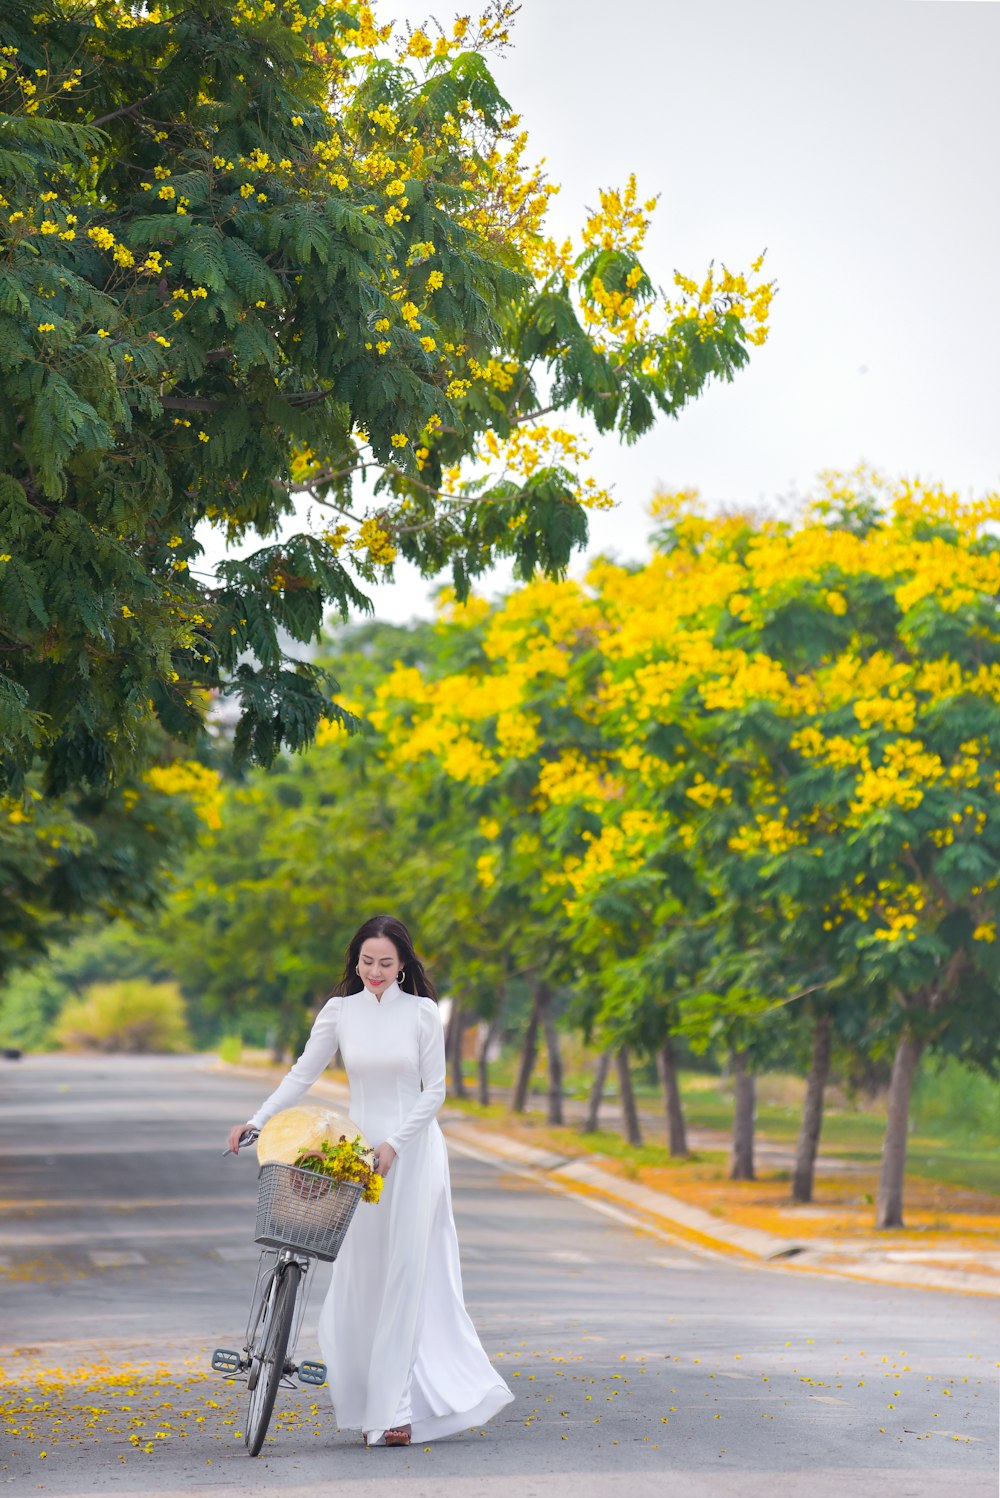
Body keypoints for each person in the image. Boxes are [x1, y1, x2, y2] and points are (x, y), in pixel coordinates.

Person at [227, 914, 514, 1448]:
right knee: (361, 1278)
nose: (374, 971)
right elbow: (301, 1074)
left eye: (385, 962)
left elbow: (436, 1092)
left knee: (406, 1273)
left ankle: (395, 1411)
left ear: (403, 965)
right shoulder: (339, 1012)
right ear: (354, 961)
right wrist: (259, 1120)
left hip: (414, 1152)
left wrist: (396, 1144)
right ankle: (365, 1403)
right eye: (366, 961)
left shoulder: (422, 1014)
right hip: (355, 1154)